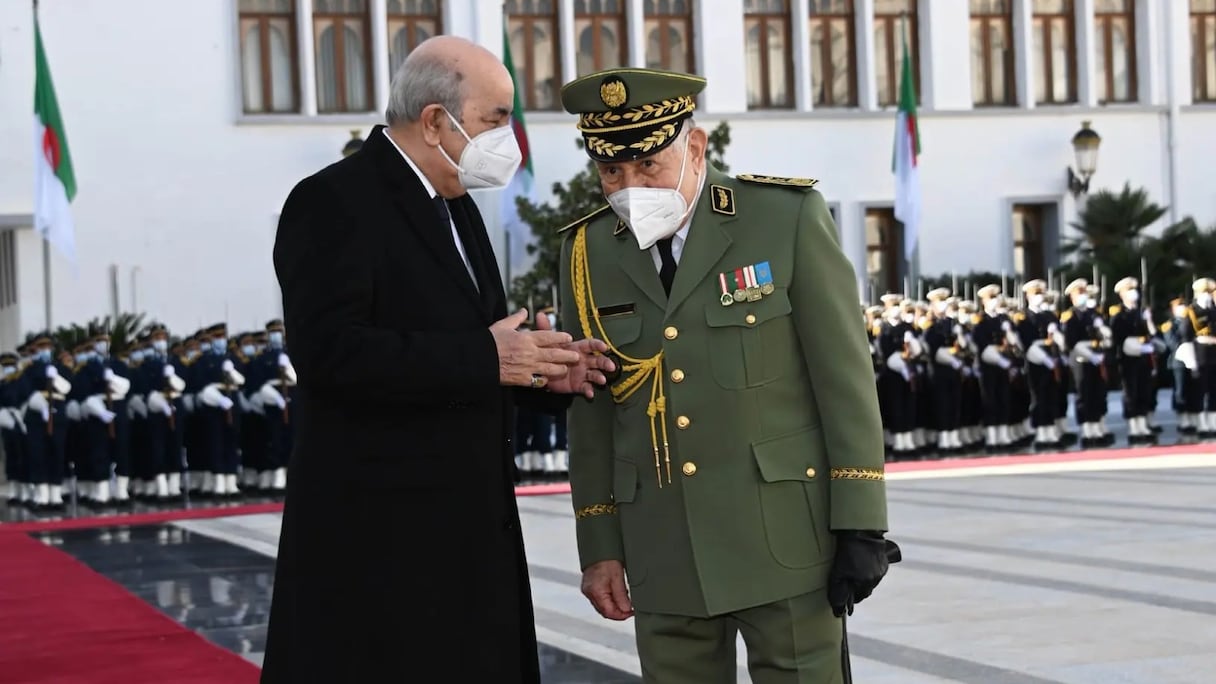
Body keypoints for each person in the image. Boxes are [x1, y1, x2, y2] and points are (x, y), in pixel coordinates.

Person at [260, 36, 614, 683]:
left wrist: (540, 371)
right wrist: (488, 357)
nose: (508, 139)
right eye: (496, 119)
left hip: (468, 532)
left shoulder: (456, 205)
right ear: (433, 121)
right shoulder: (334, 201)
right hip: (381, 544)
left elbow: (476, 347)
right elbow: (329, 353)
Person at [556, 67, 899, 683]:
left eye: (648, 166)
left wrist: (861, 521)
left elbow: (844, 383)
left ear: (695, 146)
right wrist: (599, 546)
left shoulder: (782, 218)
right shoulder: (587, 252)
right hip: (661, 548)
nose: (630, 188)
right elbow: (592, 415)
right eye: (611, 172)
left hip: (785, 540)